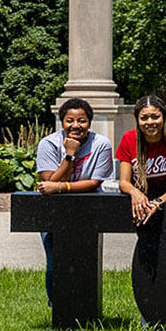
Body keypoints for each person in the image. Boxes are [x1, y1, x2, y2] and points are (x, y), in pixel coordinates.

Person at [35, 98, 114, 305]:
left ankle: (85, 305)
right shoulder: (48, 144)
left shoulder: (101, 144)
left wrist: (61, 187)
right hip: (54, 210)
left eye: (82, 120)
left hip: (89, 208)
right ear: (62, 121)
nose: (76, 126)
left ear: (90, 122)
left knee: (87, 259)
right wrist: (70, 154)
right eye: (70, 120)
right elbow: (49, 181)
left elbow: (94, 182)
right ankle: (58, 306)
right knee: (55, 260)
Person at [116, 95, 166, 226]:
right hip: (140, 204)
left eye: (155, 117)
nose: (150, 122)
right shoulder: (128, 138)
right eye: (144, 118)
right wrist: (135, 192)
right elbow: (124, 182)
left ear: (164, 117)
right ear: (137, 120)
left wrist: (157, 203)